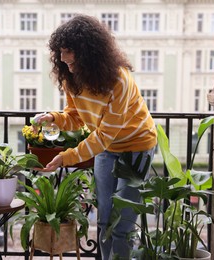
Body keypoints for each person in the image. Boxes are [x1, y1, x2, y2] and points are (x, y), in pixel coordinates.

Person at [33, 14, 157, 259]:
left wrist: (65, 157)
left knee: (121, 225)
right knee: (103, 220)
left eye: (68, 51)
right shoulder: (71, 78)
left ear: (88, 52)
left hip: (136, 147)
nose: (62, 58)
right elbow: (75, 116)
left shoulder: (119, 80)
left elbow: (104, 135)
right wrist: (54, 118)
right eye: (60, 51)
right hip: (106, 149)